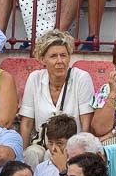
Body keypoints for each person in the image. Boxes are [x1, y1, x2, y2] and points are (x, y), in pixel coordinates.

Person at [19, 31, 95, 162]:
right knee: (31, 153)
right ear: (42, 59)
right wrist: (20, 157)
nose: (60, 61)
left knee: (52, 154)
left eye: (63, 56)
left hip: (71, 145)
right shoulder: (34, 79)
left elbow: (86, 123)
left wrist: (82, 155)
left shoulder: (81, 78)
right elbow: (26, 123)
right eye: (53, 56)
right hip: (43, 142)